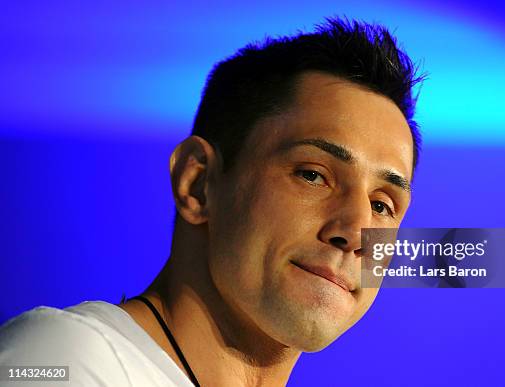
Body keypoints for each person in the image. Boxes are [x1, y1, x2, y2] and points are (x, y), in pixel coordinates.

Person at [0, 17, 423, 386]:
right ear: (197, 183)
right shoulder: (63, 358)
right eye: (313, 175)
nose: (354, 231)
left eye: (383, 205)